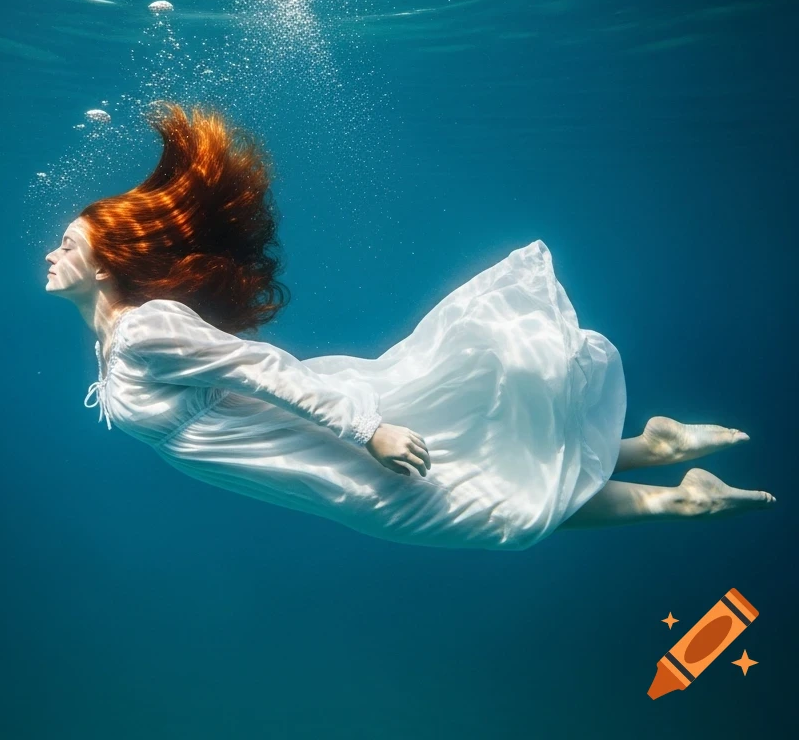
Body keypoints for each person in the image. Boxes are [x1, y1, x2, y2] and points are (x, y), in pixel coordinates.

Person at [45, 102, 776, 550]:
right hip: (293, 452)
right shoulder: (121, 339)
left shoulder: (144, 333)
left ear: (107, 268)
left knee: (486, 509)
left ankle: (677, 495)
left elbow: (262, 369)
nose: (52, 254)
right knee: (486, 476)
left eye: (69, 246)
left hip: (320, 447)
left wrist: (369, 433)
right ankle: (654, 450)